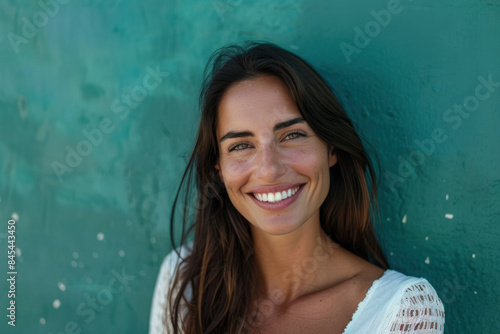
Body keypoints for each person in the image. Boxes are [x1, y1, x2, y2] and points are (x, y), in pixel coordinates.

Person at [149, 41, 445, 334]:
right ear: (219, 166)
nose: (269, 169)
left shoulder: (401, 311)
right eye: (240, 145)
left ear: (331, 149)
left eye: (292, 135)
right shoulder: (184, 280)